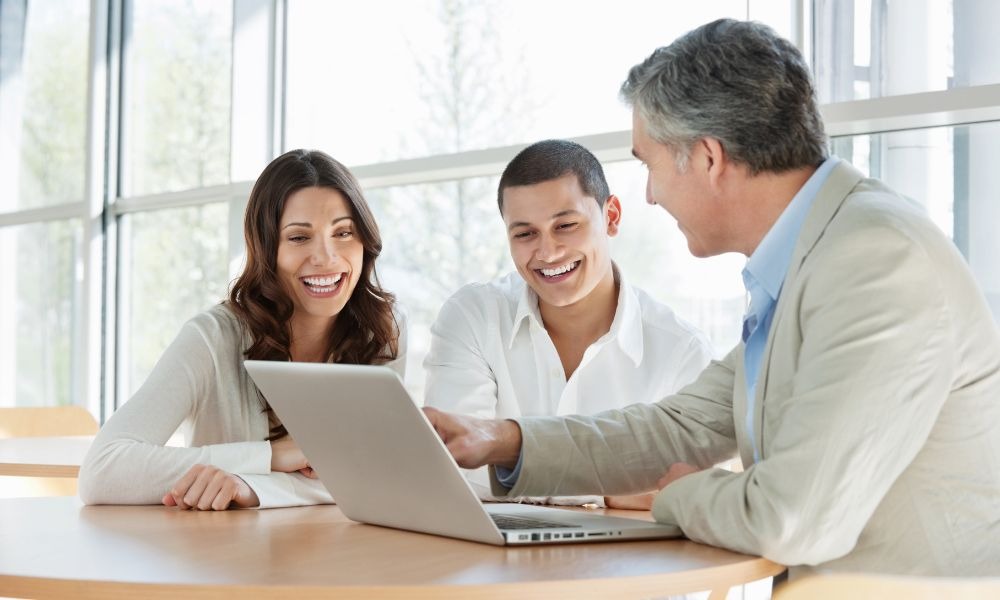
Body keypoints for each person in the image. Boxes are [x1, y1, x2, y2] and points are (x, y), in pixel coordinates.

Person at [423, 19, 1000, 576]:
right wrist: (502, 440)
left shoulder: (873, 260)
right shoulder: (811, 258)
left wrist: (682, 495)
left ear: (707, 157)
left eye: (648, 164)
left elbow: (789, 519)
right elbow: (678, 426)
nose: (649, 195)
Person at [79, 149, 406, 510]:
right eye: (299, 237)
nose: (326, 257)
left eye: (344, 232)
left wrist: (252, 487)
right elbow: (102, 470)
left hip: (345, 554)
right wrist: (270, 457)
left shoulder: (383, 331)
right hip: (227, 557)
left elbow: (382, 473)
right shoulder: (212, 337)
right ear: (266, 249)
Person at [423, 139, 713, 507]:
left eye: (566, 225)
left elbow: (692, 491)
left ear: (611, 217)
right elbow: (454, 470)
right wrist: (613, 489)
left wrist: (513, 463)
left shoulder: (681, 352)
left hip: (629, 562)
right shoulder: (473, 315)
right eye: (525, 233)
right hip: (494, 558)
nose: (547, 252)